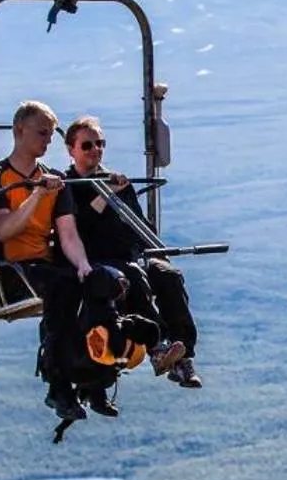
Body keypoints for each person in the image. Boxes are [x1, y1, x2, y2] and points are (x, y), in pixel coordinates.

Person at [62, 114, 204, 389]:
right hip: (95, 259)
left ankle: (184, 354)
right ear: (71, 150)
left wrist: (153, 251)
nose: (96, 150)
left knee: (168, 276)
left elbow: (138, 224)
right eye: (87, 145)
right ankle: (158, 347)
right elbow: (77, 228)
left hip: (128, 253)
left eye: (100, 143)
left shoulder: (114, 181)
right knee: (134, 277)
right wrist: (106, 194)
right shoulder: (68, 186)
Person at [0, 100, 100, 423]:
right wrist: (36, 195)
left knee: (92, 285)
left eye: (50, 135)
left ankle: (92, 374)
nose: (48, 141)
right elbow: (4, 230)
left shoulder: (53, 179)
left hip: (46, 267)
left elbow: (68, 234)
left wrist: (83, 265)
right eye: (42, 133)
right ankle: (58, 380)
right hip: (13, 270)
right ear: (19, 131)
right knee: (61, 288)